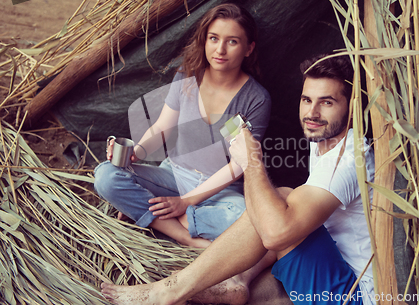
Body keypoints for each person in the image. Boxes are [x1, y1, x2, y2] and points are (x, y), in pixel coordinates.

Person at [101, 54, 375, 305]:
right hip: (329, 268)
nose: (312, 113)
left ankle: (169, 291)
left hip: (352, 295)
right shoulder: (323, 142)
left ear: (351, 106)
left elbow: (276, 232)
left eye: (327, 102)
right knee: (282, 204)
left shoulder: (349, 158)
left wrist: (251, 161)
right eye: (307, 100)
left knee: (280, 202)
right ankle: (235, 282)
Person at [94, 3, 271, 248]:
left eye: (232, 42)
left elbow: (238, 164)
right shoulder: (187, 76)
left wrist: (186, 202)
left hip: (220, 191)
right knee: (106, 175)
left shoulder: (255, 98)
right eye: (213, 38)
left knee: (244, 217)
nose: (220, 49)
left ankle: (150, 216)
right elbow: (162, 127)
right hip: (173, 176)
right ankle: (185, 236)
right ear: (204, 40)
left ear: (248, 48)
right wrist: (136, 152)